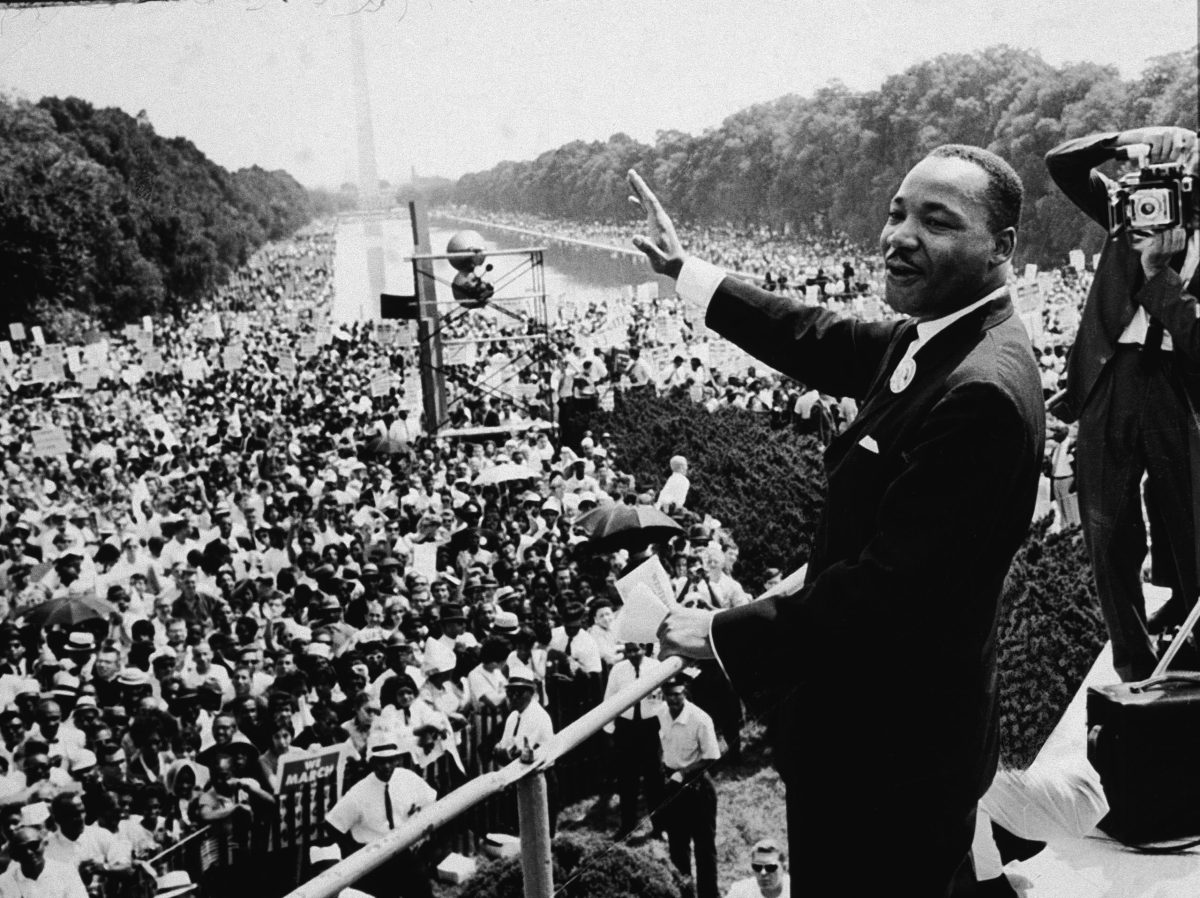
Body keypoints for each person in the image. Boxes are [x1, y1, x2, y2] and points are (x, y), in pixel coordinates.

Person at [632, 141, 1044, 897]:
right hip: (887, 738)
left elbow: (890, 591)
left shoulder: (979, 389)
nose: (901, 235)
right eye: (896, 213)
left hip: (890, 758)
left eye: (937, 220)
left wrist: (725, 632)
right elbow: (810, 335)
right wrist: (684, 271)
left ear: (1001, 248)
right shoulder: (937, 339)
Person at [1044, 126, 1200, 681]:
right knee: (1107, 530)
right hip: (1110, 376)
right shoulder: (1128, 206)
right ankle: (1134, 659)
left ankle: (1189, 642)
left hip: (1177, 384)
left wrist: (1159, 274)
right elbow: (1061, 163)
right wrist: (1133, 139)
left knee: (1189, 524)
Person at [323, 736, 436, 898]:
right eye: (381, 762)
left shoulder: (407, 778)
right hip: (374, 859)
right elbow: (332, 824)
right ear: (372, 762)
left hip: (403, 850)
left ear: (397, 759)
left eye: (390, 760)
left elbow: (431, 801)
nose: (386, 766)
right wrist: (353, 854)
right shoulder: (359, 792)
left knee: (422, 890)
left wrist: (421, 834)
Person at [654, 677, 720, 898]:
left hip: (698, 788)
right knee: (677, 846)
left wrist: (684, 772)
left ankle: (709, 894)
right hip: (674, 787)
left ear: (685, 692)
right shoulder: (662, 712)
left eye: (677, 694)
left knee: (704, 848)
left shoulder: (700, 719)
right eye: (668, 694)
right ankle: (685, 893)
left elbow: (711, 756)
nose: (672, 699)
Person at [602, 642, 664, 839]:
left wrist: (664, 733)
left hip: (650, 727)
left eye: (636, 650)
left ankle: (659, 827)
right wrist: (610, 730)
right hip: (626, 728)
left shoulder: (656, 667)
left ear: (644, 649)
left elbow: (663, 702)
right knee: (627, 780)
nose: (633, 654)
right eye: (629, 650)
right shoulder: (618, 671)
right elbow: (609, 700)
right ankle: (627, 825)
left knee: (654, 780)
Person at [0, 825, 87, 898]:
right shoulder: (4, 882)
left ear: (45, 844)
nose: (29, 852)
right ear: (14, 856)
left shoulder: (66, 872)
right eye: (21, 849)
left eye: (33, 845)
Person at [725, 838, 790, 898]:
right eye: (757, 867)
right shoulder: (740, 891)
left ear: (784, 868)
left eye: (770, 867)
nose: (763, 872)